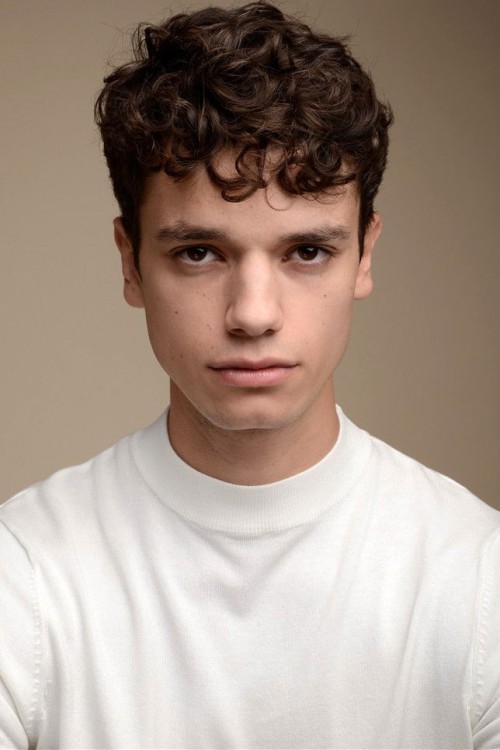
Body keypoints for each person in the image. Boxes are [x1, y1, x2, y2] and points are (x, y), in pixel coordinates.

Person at [1, 1, 498, 747]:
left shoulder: (479, 577)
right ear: (131, 263)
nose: (253, 314)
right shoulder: (25, 573)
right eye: (199, 253)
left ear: (364, 256)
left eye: (307, 252)